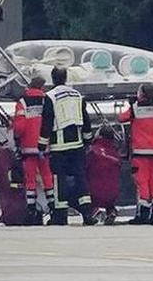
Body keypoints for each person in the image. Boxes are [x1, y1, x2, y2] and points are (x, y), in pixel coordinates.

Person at [38, 67, 97, 226]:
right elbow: (86, 121)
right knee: (81, 178)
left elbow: (47, 122)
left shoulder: (50, 97)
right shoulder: (77, 95)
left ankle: (60, 216)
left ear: (53, 78)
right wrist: (87, 141)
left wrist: (42, 145)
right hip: (77, 146)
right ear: (65, 78)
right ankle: (87, 214)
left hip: (59, 147)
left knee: (59, 181)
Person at [119, 84, 153, 225]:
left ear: (141, 94)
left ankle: (143, 214)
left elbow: (121, 118)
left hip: (141, 152)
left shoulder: (136, 109)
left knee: (142, 182)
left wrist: (133, 104)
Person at [13, 76, 55, 225]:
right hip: (45, 146)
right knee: (47, 178)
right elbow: (51, 121)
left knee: (30, 180)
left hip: (28, 146)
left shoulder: (23, 102)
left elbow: (19, 126)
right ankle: (53, 208)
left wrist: (17, 137)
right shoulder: (46, 100)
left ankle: (31, 210)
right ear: (42, 87)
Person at [86, 126, 122, 225]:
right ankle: (111, 211)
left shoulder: (92, 151)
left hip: (94, 193)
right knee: (108, 189)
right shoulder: (115, 153)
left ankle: (93, 211)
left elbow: (84, 168)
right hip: (113, 193)